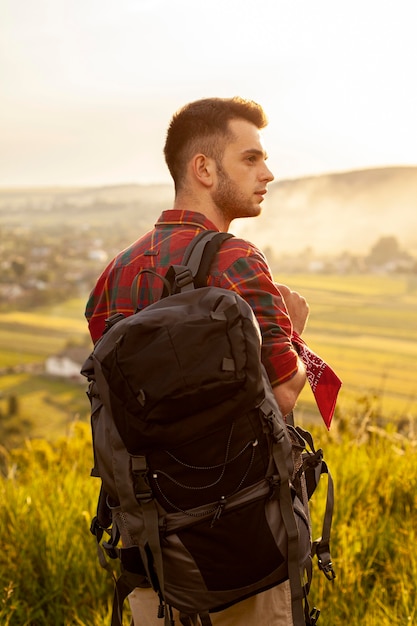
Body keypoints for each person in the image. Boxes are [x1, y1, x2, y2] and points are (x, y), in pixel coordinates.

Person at [85, 96, 310, 625]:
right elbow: (281, 393)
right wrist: (295, 332)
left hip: (152, 554)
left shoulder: (114, 274)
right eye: (251, 158)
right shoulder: (234, 257)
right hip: (244, 545)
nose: (268, 173)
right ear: (204, 168)